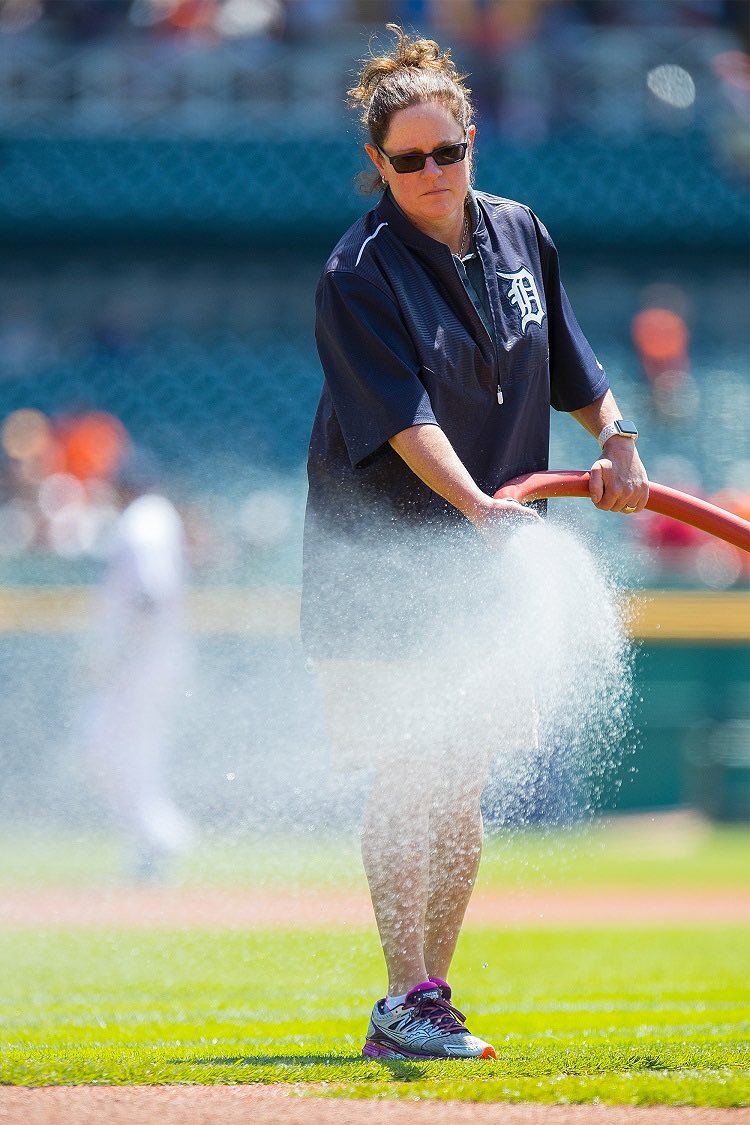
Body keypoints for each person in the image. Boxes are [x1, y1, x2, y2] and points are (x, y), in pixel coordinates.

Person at [301, 24, 648, 1062]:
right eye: (408, 160)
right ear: (377, 166)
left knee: (461, 777)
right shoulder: (357, 273)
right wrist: (481, 507)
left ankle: (430, 993)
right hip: (386, 558)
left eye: (447, 151)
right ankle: (403, 995)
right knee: (412, 769)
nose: (433, 173)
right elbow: (404, 420)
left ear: (472, 140)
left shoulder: (519, 231)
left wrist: (620, 440)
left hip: (488, 553)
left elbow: (576, 368)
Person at [82, 447, 195, 880]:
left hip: (139, 664)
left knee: (108, 747)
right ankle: (154, 839)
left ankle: (159, 839)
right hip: (150, 662)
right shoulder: (155, 516)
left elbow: (152, 594)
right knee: (120, 750)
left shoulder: (144, 520)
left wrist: (120, 658)